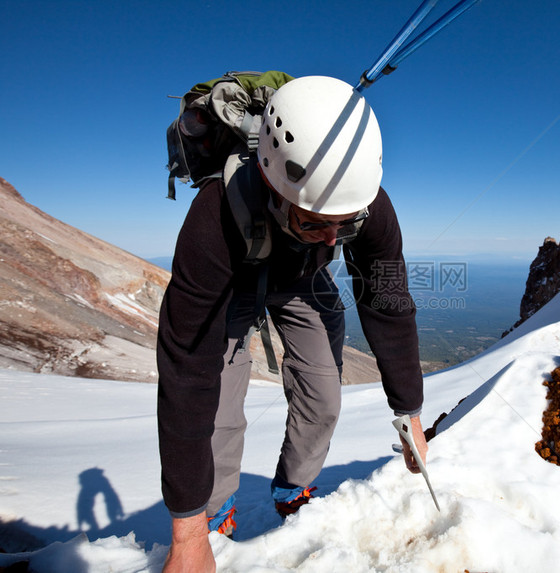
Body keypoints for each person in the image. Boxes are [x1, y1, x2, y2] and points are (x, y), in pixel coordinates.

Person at [156, 75, 428, 571]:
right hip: (232, 287)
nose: (331, 240)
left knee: (323, 396)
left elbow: (387, 301)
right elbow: (185, 366)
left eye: (344, 226)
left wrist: (409, 408)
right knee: (218, 409)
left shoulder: (368, 208)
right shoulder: (214, 218)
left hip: (302, 283)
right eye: (312, 223)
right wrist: (186, 534)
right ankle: (212, 519)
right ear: (271, 185)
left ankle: (292, 489)